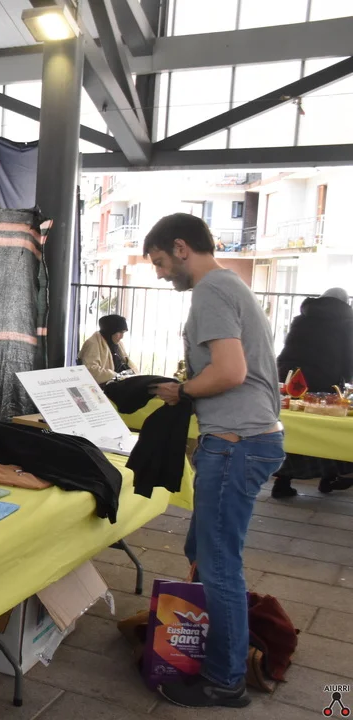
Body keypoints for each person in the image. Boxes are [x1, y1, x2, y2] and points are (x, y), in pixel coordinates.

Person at [144, 213, 285, 709]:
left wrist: (182, 390)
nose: (160, 273)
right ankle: (210, 648)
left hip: (234, 443)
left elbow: (229, 371)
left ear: (181, 248)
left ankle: (225, 680)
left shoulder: (210, 291)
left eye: (160, 261)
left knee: (219, 563)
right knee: (203, 551)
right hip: (246, 438)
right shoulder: (230, 286)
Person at [271, 286, 353, 497]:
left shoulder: (302, 318)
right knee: (326, 432)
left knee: (293, 430)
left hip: (291, 378)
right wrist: (346, 380)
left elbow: (289, 348)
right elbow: (348, 358)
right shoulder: (346, 323)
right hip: (323, 384)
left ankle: (282, 481)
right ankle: (328, 479)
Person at [79, 314, 138, 385]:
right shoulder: (93, 343)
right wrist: (117, 376)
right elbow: (91, 371)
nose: (122, 336)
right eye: (120, 332)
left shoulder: (118, 344)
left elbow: (128, 364)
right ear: (110, 331)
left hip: (121, 382)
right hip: (107, 386)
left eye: (123, 333)